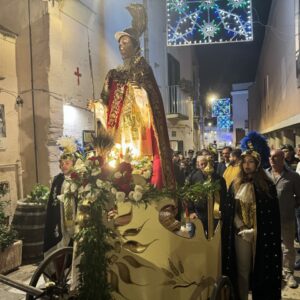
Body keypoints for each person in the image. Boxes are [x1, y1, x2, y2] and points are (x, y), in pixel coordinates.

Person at [90, 25, 175, 189]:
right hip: (120, 129)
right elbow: (106, 101)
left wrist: (141, 93)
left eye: (126, 42)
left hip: (140, 128)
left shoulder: (143, 70)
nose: (121, 46)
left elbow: (153, 99)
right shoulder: (114, 74)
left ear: (136, 46)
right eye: (120, 44)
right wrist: (97, 105)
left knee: (138, 159)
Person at [222, 150, 282, 300]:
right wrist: (241, 226)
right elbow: (231, 210)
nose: (247, 165)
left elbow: (271, 216)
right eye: (244, 162)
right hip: (240, 234)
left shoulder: (267, 186)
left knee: (260, 269)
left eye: (251, 162)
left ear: (257, 164)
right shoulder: (235, 184)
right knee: (242, 271)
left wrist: (255, 231)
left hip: (261, 235)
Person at [266, 149, 300, 288]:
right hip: (268, 218)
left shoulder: (293, 176)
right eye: (271, 157)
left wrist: (289, 206)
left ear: (283, 159)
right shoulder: (264, 174)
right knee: (270, 246)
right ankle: (275, 273)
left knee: (288, 247)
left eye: (276, 157)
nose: (273, 160)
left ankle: (288, 273)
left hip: (286, 217)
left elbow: (299, 197)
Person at [44, 153, 77, 257]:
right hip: (60, 216)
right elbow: (53, 200)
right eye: (62, 164)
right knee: (60, 243)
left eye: (67, 163)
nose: (64, 166)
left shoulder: (77, 178)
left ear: (73, 163)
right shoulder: (57, 179)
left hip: (73, 215)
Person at [187, 155, 226, 236]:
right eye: (202, 164)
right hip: (198, 213)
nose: (205, 167)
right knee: (197, 237)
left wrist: (221, 213)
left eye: (207, 164)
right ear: (198, 164)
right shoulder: (194, 177)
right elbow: (190, 195)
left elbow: (223, 197)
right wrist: (191, 211)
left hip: (214, 214)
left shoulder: (219, 179)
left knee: (214, 238)